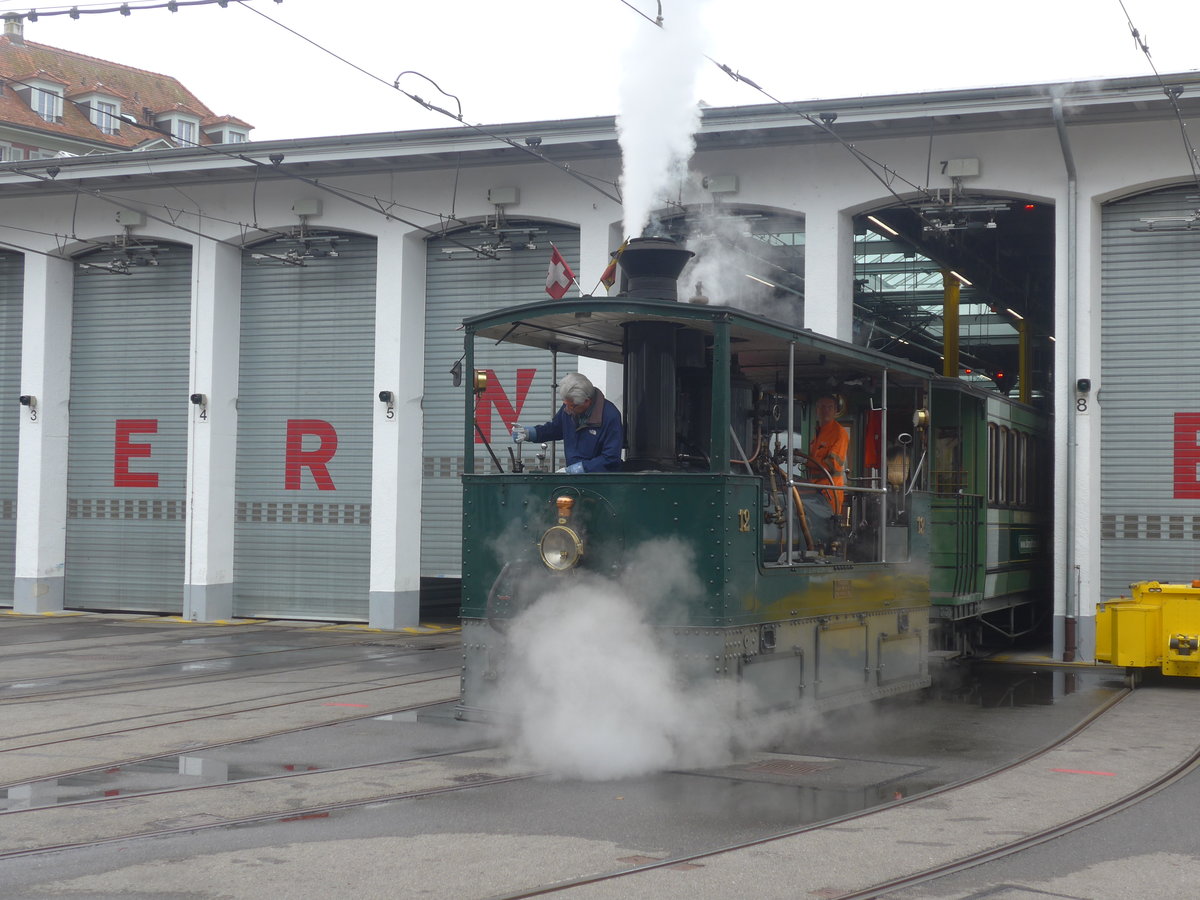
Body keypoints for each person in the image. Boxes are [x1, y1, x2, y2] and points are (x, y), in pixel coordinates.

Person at [511, 373, 623, 473]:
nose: (567, 409)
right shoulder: (570, 407)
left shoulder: (610, 416)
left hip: (602, 482)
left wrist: (580, 469)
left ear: (587, 401)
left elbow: (611, 458)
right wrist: (530, 433)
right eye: (565, 404)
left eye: (572, 406)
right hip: (574, 480)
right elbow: (555, 428)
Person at [808, 395, 849, 514]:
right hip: (815, 489)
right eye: (822, 407)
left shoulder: (839, 433)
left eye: (829, 407)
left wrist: (806, 462)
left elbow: (832, 465)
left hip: (829, 491)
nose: (825, 410)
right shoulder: (819, 432)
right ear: (817, 409)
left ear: (835, 410)